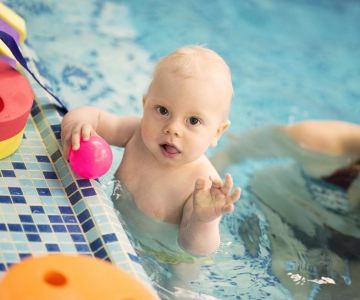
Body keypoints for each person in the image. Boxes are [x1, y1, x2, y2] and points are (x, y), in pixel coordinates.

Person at [61, 45, 241, 294]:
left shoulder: (202, 185)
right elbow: (95, 117)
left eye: (193, 121)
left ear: (217, 132)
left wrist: (204, 219)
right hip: (121, 234)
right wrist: (77, 125)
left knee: (175, 288)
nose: (173, 128)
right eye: (163, 111)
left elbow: (193, 248)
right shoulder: (136, 134)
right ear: (145, 105)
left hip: (170, 262)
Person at [211, 120, 360, 299]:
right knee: (295, 286)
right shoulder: (325, 140)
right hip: (281, 210)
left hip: (345, 241)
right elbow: (230, 153)